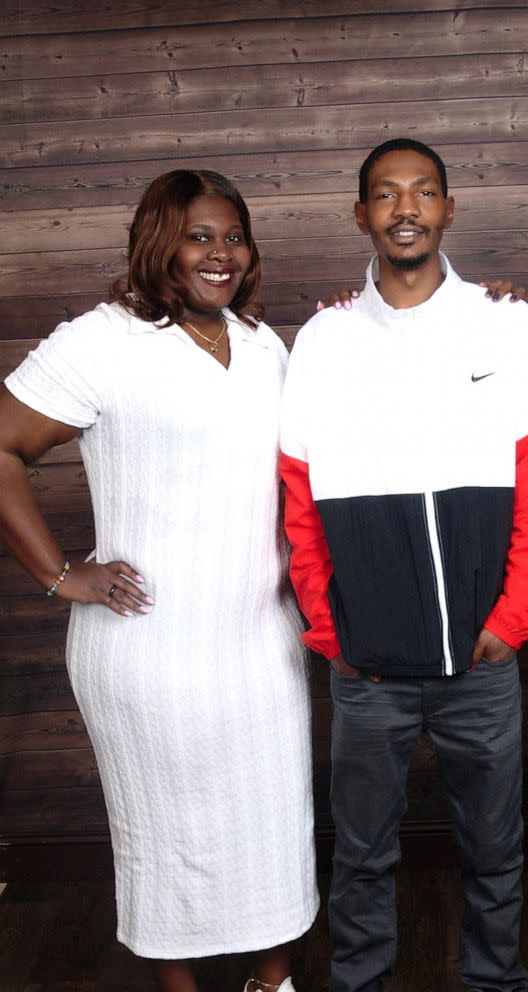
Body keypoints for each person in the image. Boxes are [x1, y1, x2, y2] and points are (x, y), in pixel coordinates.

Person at [0, 170, 318, 992]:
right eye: (198, 235)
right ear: (157, 243)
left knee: (273, 822)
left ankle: (271, 980)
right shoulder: (99, 341)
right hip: (148, 650)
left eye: (233, 236)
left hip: (259, 642)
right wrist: (60, 574)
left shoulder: (261, 345)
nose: (220, 254)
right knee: (164, 829)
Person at [279, 137, 528, 992]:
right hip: (368, 669)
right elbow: (299, 498)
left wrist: (513, 624)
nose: (405, 207)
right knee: (362, 854)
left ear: (448, 208)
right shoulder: (323, 338)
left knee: (495, 848)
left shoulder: (506, 321)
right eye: (385, 194)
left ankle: (495, 984)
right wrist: (333, 633)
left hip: (480, 660)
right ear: (361, 214)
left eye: (423, 191)